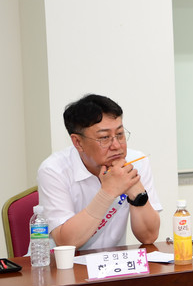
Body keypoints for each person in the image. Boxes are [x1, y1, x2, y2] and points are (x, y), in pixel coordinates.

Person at [37, 94, 161, 250]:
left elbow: (148, 236)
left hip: (111, 261)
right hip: (57, 262)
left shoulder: (136, 162)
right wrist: (108, 192)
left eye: (120, 134)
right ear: (78, 142)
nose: (116, 145)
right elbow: (65, 242)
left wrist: (135, 189)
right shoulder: (53, 170)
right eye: (104, 137)